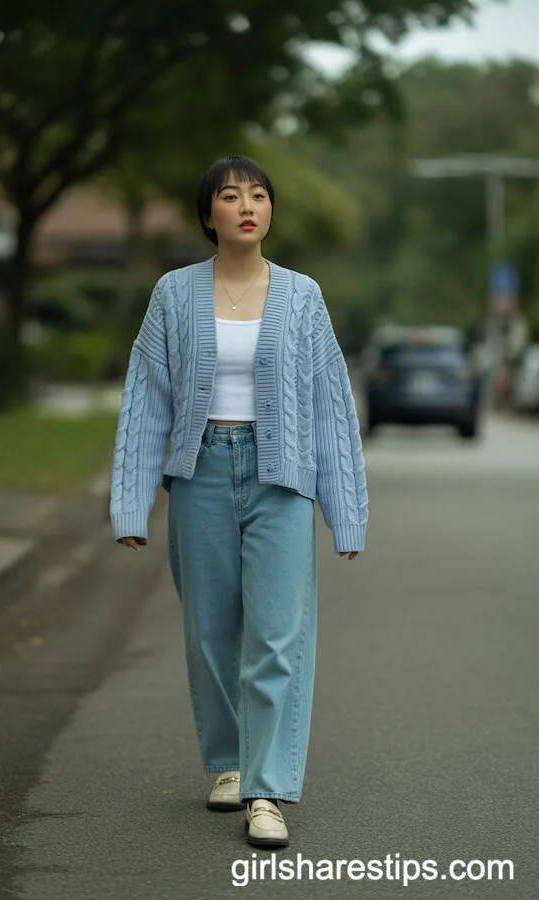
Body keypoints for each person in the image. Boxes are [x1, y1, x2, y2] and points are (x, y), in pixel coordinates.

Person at [110, 155, 368, 848]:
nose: (247, 205)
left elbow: (329, 404)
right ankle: (229, 760)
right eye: (230, 196)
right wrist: (131, 503)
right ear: (209, 215)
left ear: (271, 211)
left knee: (277, 636)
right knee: (210, 632)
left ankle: (267, 789)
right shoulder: (173, 294)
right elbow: (147, 398)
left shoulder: (302, 296)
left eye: (258, 195)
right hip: (201, 474)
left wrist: (345, 511)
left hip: (280, 479)